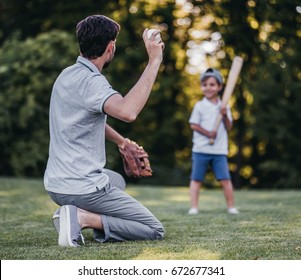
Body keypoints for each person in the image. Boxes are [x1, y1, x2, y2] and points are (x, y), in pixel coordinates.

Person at [43, 15, 165, 247]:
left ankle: (70, 214)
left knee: (115, 180)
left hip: (56, 185)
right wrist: (154, 61)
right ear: (111, 47)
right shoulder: (92, 82)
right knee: (153, 229)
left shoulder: (66, 76)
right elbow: (128, 112)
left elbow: (84, 119)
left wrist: (122, 142)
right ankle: (81, 218)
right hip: (81, 188)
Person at [188, 68, 239, 215]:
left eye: (212, 84)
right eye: (205, 84)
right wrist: (208, 132)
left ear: (219, 87)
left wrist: (224, 115)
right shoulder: (199, 106)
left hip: (219, 150)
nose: (208, 87)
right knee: (196, 179)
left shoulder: (224, 106)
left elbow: (229, 126)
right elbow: (194, 125)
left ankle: (231, 207)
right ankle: (194, 207)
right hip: (200, 150)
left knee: (225, 180)